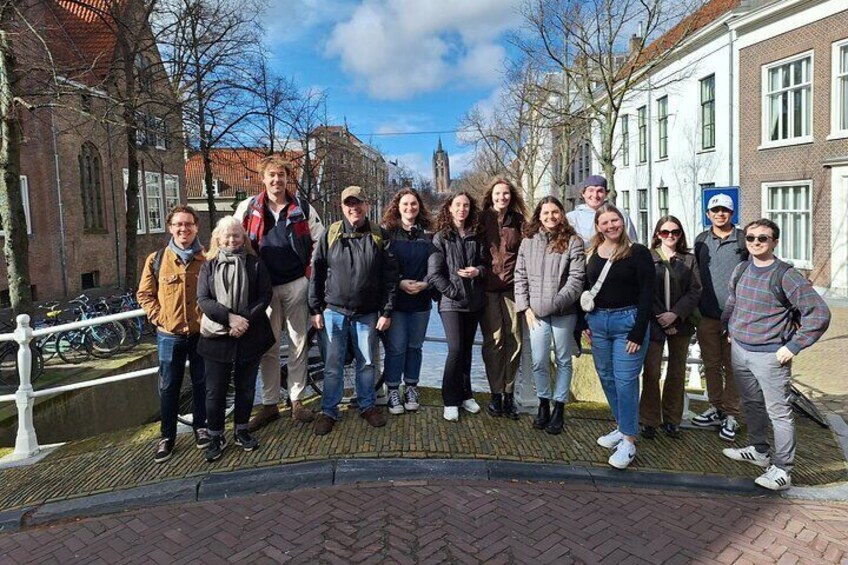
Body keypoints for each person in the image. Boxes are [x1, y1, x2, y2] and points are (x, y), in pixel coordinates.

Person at [721, 219, 831, 491]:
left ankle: (783, 470)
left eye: (763, 238)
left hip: (771, 355)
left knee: (779, 413)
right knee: (751, 403)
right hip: (740, 350)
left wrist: (793, 346)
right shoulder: (741, 268)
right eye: (751, 238)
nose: (756, 243)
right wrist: (729, 328)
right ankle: (759, 451)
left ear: (774, 242)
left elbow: (819, 313)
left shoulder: (785, 275)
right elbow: (734, 301)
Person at [233, 156, 323, 432]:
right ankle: (270, 403)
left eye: (282, 175)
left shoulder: (302, 208)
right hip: (264, 288)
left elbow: (319, 241)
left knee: (298, 342)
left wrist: (309, 275)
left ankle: (296, 399)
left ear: (287, 178)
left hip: (296, 283)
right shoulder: (248, 208)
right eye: (272, 175)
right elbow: (234, 239)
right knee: (268, 346)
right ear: (263, 178)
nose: (277, 180)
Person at [309, 185, 398, 435]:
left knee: (367, 362)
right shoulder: (331, 234)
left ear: (366, 205)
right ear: (342, 206)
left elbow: (390, 277)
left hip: (367, 313)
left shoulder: (379, 235)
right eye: (349, 203)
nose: (353, 208)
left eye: (358, 203)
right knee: (332, 364)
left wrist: (387, 311)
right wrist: (315, 308)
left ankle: (367, 405)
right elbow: (316, 273)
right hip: (334, 311)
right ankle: (329, 410)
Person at [196, 217, 274, 462]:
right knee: (215, 391)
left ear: (244, 238)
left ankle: (241, 429)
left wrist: (244, 320)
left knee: (246, 388)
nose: (232, 240)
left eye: (237, 236)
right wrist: (230, 319)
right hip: (217, 337)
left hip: (249, 335)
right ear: (218, 238)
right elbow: (203, 300)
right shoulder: (208, 266)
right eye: (227, 236)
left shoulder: (255, 263)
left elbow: (265, 295)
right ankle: (216, 435)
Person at [137, 205, 209, 464]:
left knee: (202, 382)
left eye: (188, 224)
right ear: (170, 228)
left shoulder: (207, 259)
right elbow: (144, 294)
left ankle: (201, 427)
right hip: (170, 334)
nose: (183, 229)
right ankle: (167, 436)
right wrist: (160, 318)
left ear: (196, 227)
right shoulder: (156, 260)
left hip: (201, 333)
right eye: (178, 224)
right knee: (169, 387)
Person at [584, 204, 653, 469]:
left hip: (628, 321)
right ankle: (622, 425)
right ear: (598, 226)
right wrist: (585, 322)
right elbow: (586, 287)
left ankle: (629, 440)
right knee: (607, 376)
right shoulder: (592, 252)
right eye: (605, 222)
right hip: (599, 322)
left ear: (622, 222)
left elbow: (647, 293)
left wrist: (638, 331)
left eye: (615, 220)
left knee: (625, 381)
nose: (611, 225)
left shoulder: (638, 253)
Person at [514, 196, 585, 434]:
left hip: (563, 311)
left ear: (562, 214)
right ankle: (543, 403)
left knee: (564, 360)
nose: (550, 217)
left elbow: (576, 280)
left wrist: (554, 303)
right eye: (545, 213)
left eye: (555, 212)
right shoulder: (528, 241)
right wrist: (525, 307)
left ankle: (560, 408)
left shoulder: (573, 241)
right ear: (538, 215)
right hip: (536, 313)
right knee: (539, 360)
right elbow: (520, 276)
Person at [427, 192, 489, 422]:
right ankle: (450, 400)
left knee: (466, 350)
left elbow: (485, 265)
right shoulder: (441, 237)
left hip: (474, 302)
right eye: (458, 205)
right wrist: (453, 292)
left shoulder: (476, 235)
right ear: (450, 208)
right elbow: (435, 274)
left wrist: (478, 272)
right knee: (454, 349)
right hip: (451, 303)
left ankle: (466, 394)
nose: (462, 209)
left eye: (466, 205)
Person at [691, 193, 748, 441]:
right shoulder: (701, 240)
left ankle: (732, 414)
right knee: (711, 364)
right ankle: (716, 407)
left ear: (732, 213)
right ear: (708, 214)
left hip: (737, 317)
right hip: (707, 315)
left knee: (733, 367)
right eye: (715, 211)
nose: (720, 214)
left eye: (725, 210)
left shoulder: (745, 239)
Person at [639, 216, 702, 440]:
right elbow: (644, 289)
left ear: (680, 234)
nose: (670, 236)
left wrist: (675, 315)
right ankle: (648, 419)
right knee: (652, 371)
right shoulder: (647, 257)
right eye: (665, 232)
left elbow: (695, 290)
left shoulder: (689, 259)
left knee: (677, 372)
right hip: (654, 323)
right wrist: (661, 318)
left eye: (675, 232)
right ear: (657, 234)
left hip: (681, 323)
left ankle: (672, 420)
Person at [380, 188, 433, 415]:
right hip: (397, 300)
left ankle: (411, 386)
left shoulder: (428, 235)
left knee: (415, 347)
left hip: (422, 300)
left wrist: (427, 282)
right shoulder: (388, 234)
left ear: (419, 207)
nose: (409, 208)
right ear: (397, 207)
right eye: (405, 204)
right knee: (396, 347)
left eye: (413, 204)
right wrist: (400, 282)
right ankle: (393, 389)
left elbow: (437, 264)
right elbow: (381, 266)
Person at [479, 176, 527, 419]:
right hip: (487, 289)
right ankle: (495, 394)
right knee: (494, 340)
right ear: (491, 196)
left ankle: (509, 393)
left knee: (515, 338)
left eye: (506, 193)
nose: (502, 198)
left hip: (511, 288)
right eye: (497, 194)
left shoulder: (518, 221)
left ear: (512, 196)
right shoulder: (481, 219)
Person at [566, 175, 637, 244]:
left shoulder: (619, 214)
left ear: (606, 194)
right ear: (583, 193)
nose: (595, 195)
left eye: (600, 191)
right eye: (591, 190)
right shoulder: (572, 218)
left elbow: (631, 241)